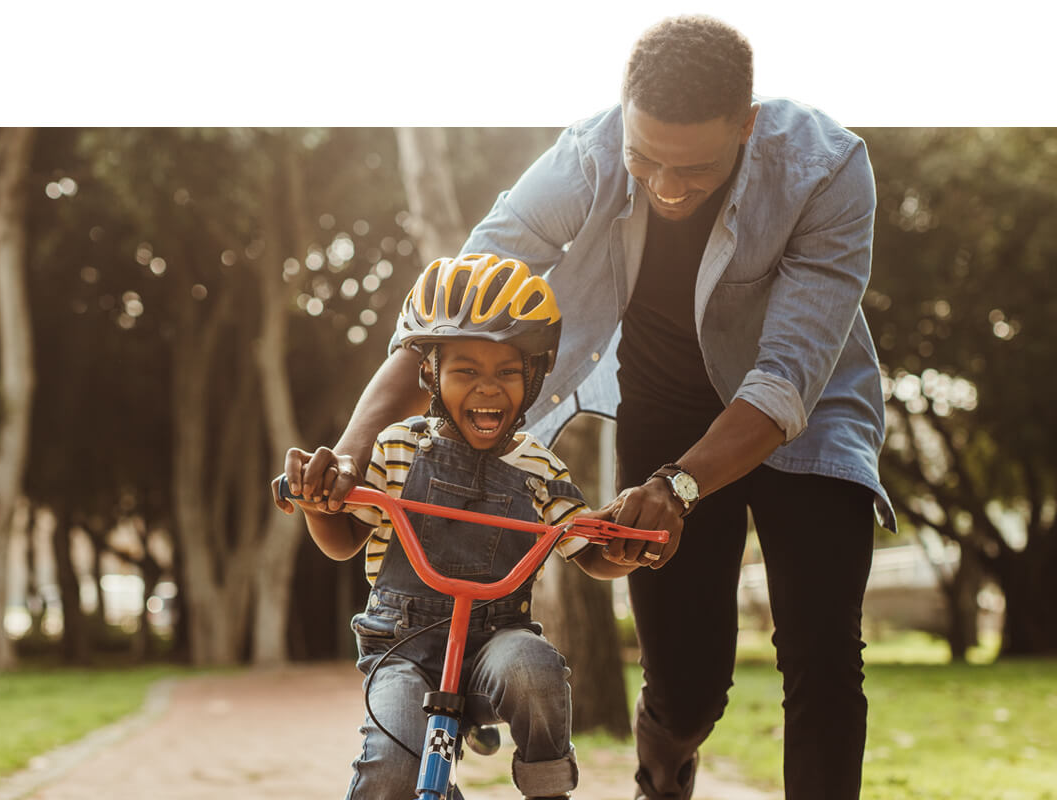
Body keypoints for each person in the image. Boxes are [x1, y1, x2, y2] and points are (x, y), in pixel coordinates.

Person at [307, 15, 897, 800]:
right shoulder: (585, 157)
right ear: (624, 113)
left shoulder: (827, 168)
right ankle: (665, 766)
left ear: (747, 125)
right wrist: (351, 449)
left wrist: (681, 487)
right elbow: (457, 311)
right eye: (645, 158)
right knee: (687, 687)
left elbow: (784, 380)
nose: (667, 186)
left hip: (809, 415)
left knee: (822, 655)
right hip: (667, 411)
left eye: (696, 168)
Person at [273, 255, 656, 800]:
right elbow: (342, 541)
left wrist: (624, 547)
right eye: (465, 372)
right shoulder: (398, 447)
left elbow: (587, 550)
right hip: (402, 647)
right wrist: (317, 504)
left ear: (534, 375)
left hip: (495, 643)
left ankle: (549, 789)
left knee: (535, 668)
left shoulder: (540, 468)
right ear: (429, 373)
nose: (488, 389)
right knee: (390, 769)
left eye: (506, 372)